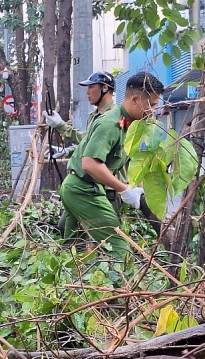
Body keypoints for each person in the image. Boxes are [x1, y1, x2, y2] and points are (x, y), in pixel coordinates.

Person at [59, 71, 164, 258]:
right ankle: (119, 285)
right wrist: (124, 190)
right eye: (152, 105)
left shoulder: (129, 125)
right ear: (135, 100)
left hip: (83, 187)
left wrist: (138, 190)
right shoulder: (110, 123)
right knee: (119, 247)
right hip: (83, 189)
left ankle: (73, 283)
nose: (154, 111)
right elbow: (89, 163)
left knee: (74, 248)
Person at [43, 72, 123, 226]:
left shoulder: (113, 118)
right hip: (87, 184)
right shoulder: (94, 116)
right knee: (66, 227)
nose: (87, 92)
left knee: (106, 237)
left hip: (106, 187)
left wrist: (61, 125)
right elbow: (89, 144)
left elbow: (87, 141)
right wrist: (69, 151)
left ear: (105, 88)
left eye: (91, 87)